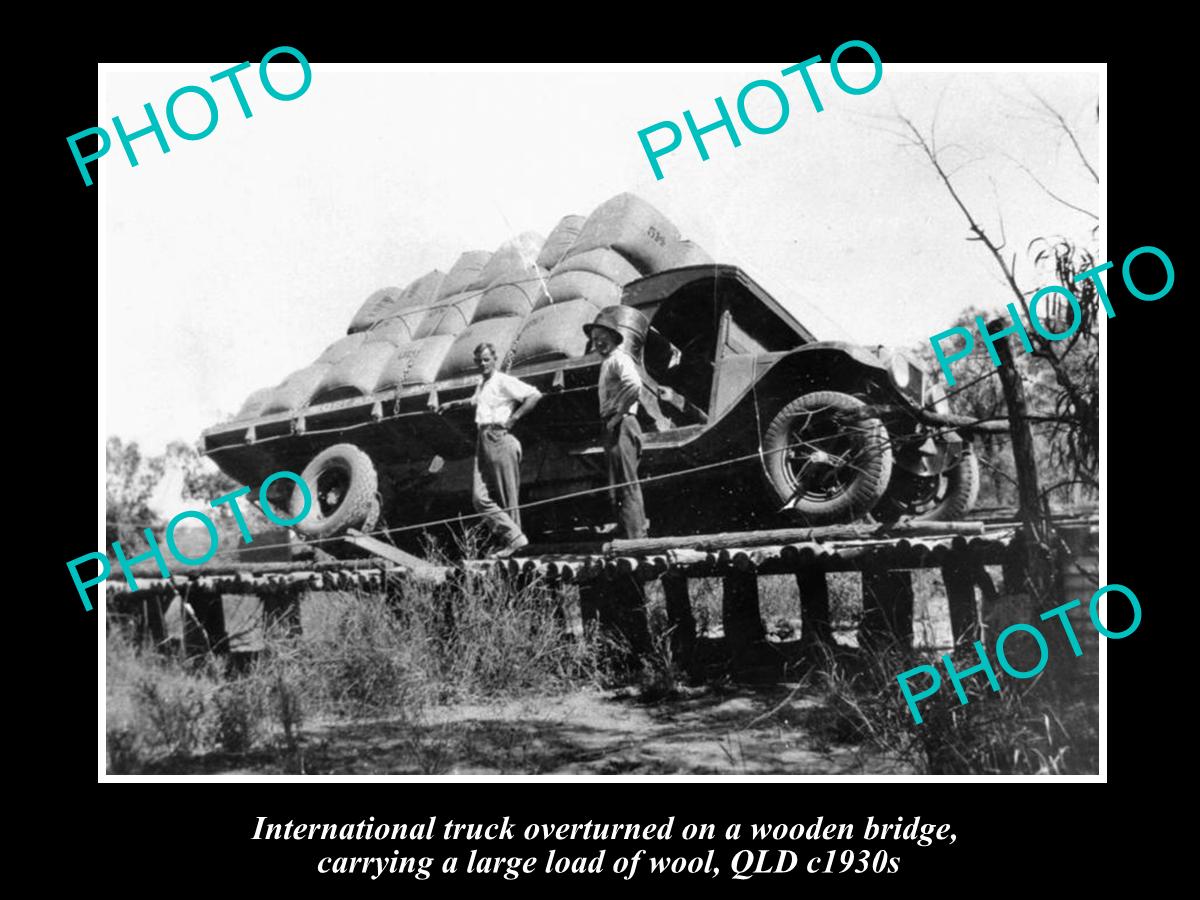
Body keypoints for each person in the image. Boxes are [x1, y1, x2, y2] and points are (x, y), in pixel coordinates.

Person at [467, 342, 541, 557]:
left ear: (494, 359)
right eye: (479, 360)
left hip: (499, 437)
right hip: (483, 438)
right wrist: (450, 405)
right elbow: (475, 402)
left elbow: (534, 394)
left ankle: (515, 545)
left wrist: (513, 420)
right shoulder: (482, 383)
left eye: (486, 359)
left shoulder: (502, 380)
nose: (483, 364)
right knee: (479, 497)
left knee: (506, 496)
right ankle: (515, 538)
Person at [583, 309, 648, 539]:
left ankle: (635, 538)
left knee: (626, 481)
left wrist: (618, 415)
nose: (599, 343)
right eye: (595, 340)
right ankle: (627, 531)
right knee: (619, 481)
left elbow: (634, 386)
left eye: (603, 338)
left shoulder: (619, 359)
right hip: (614, 425)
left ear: (613, 338)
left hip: (622, 424)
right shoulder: (608, 362)